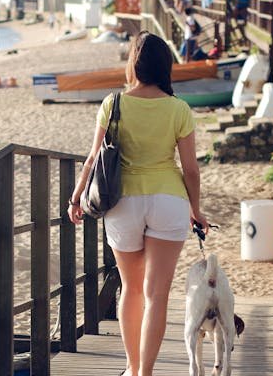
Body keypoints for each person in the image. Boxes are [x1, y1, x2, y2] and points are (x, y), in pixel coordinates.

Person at [67, 31, 208, 376]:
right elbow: (190, 169)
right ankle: (145, 371)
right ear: (165, 67)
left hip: (123, 202)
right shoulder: (178, 109)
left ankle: (131, 368)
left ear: (133, 64)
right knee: (156, 294)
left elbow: (92, 159)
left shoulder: (113, 103)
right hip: (168, 201)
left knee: (130, 288)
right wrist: (196, 210)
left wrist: (76, 198)